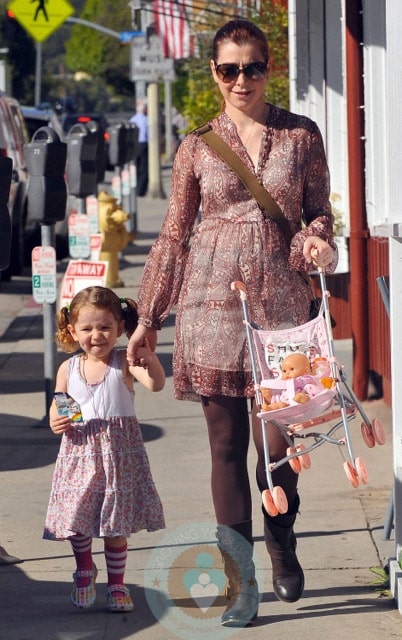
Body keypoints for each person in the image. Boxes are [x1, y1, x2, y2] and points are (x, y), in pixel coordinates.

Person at [127, 19, 337, 627]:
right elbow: (172, 237)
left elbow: (318, 212)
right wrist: (147, 317)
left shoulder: (301, 136)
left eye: (251, 67)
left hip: (281, 308)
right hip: (211, 306)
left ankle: (281, 537)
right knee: (225, 447)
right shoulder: (197, 145)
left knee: (278, 450)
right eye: (228, 69)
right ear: (214, 75)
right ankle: (239, 581)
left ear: (269, 68)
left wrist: (316, 243)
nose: (240, 79)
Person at [43, 286, 165, 612]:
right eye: (86, 328)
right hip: (79, 453)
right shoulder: (68, 369)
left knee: (115, 524)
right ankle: (84, 569)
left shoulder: (124, 362)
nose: (96, 335)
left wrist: (148, 356)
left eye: (104, 327)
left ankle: (116, 585)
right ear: (72, 331)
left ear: (120, 327)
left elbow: (155, 383)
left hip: (119, 456)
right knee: (76, 518)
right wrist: (57, 419)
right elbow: (60, 401)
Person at [260, 352, 325, 411]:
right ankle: (270, 405)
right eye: (284, 371)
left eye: (291, 369)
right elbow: (282, 396)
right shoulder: (286, 385)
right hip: (287, 404)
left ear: (305, 371)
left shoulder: (305, 381)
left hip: (303, 404)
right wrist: (270, 398)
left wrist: (307, 396)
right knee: (281, 404)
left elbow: (317, 392)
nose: (287, 373)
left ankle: (303, 398)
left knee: (306, 395)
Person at [130, 98, 149, 196]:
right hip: (145, 145)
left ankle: (136, 189)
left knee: (136, 167)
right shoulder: (147, 119)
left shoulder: (133, 119)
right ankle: (140, 191)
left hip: (135, 145)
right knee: (144, 168)